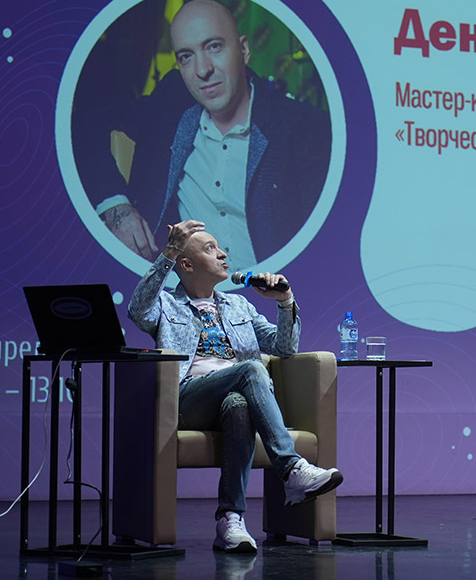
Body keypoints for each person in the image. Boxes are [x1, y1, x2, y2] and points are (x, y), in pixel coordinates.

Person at [128, 218, 343, 553]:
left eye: (220, 247)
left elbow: (285, 348)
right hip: (189, 400)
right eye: (210, 249)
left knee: (239, 407)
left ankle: (230, 520)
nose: (223, 254)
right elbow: (137, 309)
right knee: (252, 370)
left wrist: (285, 301)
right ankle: (291, 468)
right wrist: (169, 251)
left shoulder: (239, 305)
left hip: (235, 397)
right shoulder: (166, 304)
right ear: (186, 264)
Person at [92, 0, 332, 264]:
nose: (203, 70)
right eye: (186, 56)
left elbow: (326, 248)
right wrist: (116, 207)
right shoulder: (171, 105)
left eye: (214, 47)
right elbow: (85, 126)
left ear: (244, 50)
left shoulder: (304, 128)